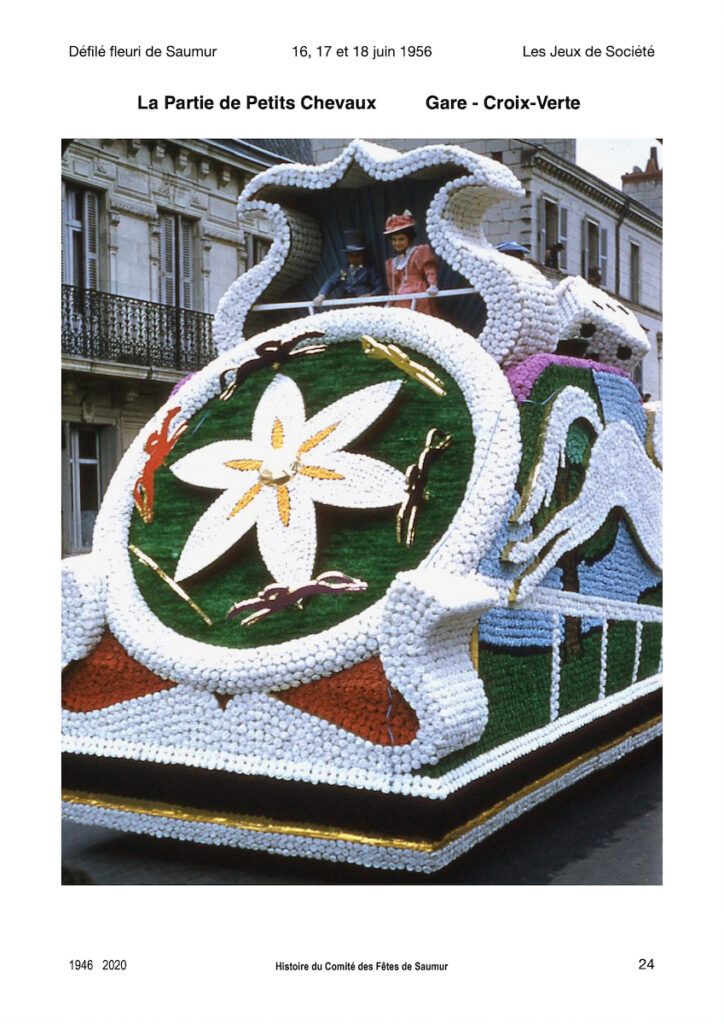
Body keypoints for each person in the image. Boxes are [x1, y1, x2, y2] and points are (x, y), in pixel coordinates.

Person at [384, 211, 440, 317]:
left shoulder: (419, 252)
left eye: (401, 239)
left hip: (417, 294)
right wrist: (390, 302)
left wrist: (433, 284)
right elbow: (393, 287)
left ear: (409, 239)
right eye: (394, 240)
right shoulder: (392, 262)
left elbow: (429, 269)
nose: (397, 243)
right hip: (401, 299)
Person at [313, 229, 384, 306]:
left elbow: (380, 287)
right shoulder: (344, 270)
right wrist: (322, 295)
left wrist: (369, 295)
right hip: (346, 302)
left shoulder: (369, 270)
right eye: (351, 256)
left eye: (358, 256)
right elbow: (331, 282)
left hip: (364, 302)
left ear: (363, 255)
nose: (354, 259)